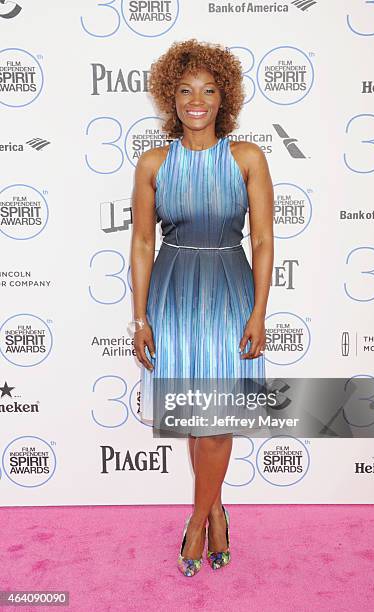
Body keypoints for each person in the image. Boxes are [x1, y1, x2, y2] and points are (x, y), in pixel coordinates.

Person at [130, 39, 274, 577]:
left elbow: (262, 241)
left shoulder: (247, 158)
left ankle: (195, 521)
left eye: (209, 90)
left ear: (224, 99)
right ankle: (215, 511)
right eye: (186, 89)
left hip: (230, 290)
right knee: (195, 414)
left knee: (218, 420)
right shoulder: (152, 163)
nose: (197, 100)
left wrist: (259, 311)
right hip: (172, 293)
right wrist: (141, 317)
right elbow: (143, 243)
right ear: (171, 95)